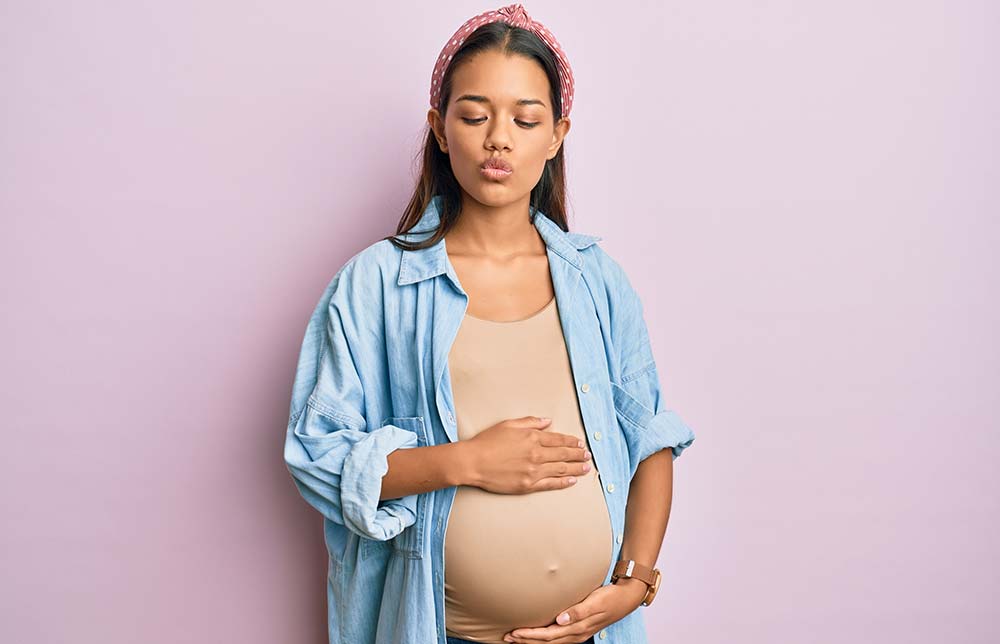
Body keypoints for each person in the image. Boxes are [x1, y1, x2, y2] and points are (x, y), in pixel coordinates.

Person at [283, 4, 696, 644]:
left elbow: (652, 438)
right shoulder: (377, 284)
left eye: (525, 119)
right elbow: (316, 455)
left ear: (556, 135)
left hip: (591, 633)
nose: (498, 137)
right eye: (474, 116)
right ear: (440, 130)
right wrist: (465, 462)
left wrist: (635, 586)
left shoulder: (597, 280)